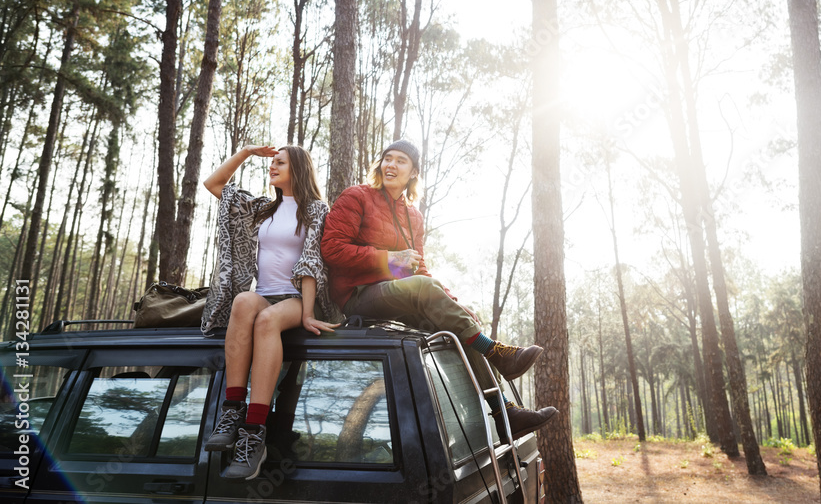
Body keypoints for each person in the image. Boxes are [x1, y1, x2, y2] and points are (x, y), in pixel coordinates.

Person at [321, 139, 558, 440]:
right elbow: (331, 248)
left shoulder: (413, 217)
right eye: (387, 159)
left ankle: (504, 413)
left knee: (461, 327)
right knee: (432, 296)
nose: (391, 165)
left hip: (399, 296)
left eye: (400, 161)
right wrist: (388, 258)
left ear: (413, 172)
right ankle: (496, 351)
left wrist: (454, 305)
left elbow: (419, 271)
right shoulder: (357, 197)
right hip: (358, 296)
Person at [200, 145, 339, 480]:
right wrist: (246, 152)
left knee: (267, 321)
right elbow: (214, 184)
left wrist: (306, 314)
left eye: (280, 163)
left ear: (300, 169)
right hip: (264, 294)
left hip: (298, 296)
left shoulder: (316, 209)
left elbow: (310, 263)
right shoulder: (262, 208)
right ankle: (233, 410)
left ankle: (254, 432)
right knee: (244, 303)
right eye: (272, 162)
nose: (272, 166)